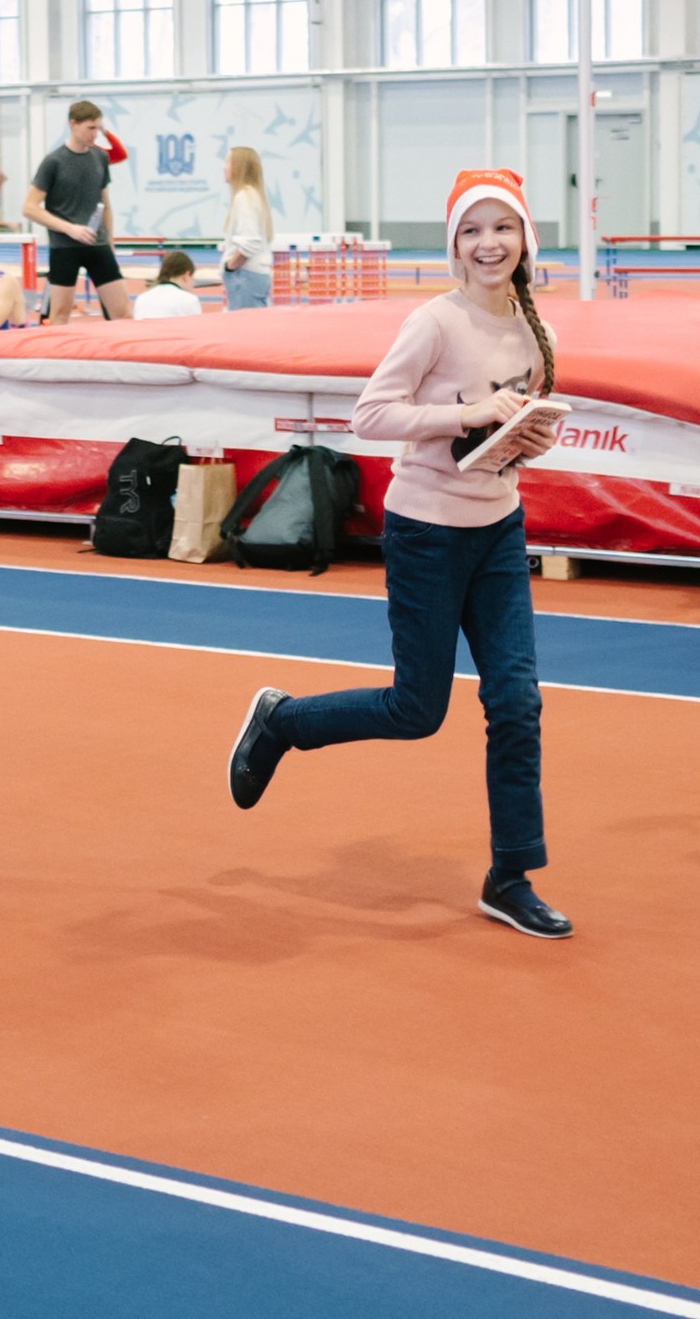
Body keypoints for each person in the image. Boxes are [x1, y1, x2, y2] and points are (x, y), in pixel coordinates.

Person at [225, 170, 569, 939]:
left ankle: (511, 876)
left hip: (499, 530)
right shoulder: (434, 322)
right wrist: (468, 413)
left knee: (517, 702)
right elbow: (371, 415)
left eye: (502, 228)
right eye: (472, 230)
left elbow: (500, 436)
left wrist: (527, 437)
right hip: (426, 535)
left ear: (526, 238)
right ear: (453, 244)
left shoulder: (533, 328)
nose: (489, 244)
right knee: (418, 710)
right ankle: (282, 722)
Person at [25, 101, 133, 323]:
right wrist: (70, 228)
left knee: (123, 313)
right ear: (73, 124)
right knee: (59, 316)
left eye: (98, 128)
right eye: (90, 128)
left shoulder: (100, 157)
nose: (95, 134)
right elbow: (29, 208)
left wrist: (110, 242)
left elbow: (105, 203)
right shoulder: (53, 162)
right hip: (65, 247)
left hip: (97, 244)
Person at [220, 146, 274, 311]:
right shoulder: (253, 196)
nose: (223, 167)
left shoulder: (244, 197)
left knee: (244, 325)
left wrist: (230, 266)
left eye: (228, 162)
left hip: (245, 276)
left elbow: (250, 243)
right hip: (251, 276)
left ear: (238, 167)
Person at [130, 250, 204, 319]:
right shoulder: (189, 300)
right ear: (186, 275)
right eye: (192, 278)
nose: (192, 284)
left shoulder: (141, 299)